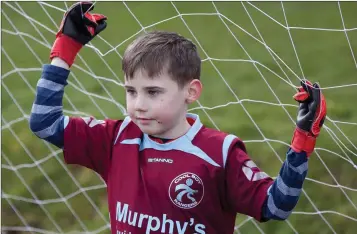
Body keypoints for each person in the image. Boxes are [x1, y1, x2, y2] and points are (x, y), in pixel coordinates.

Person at [29, 2, 327, 234]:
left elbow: (276, 205)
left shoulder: (219, 154)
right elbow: (45, 123)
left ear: (191, 91)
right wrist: (65, 50)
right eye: (131, 91)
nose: (138, 106)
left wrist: (303, 140)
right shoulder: (117, 138)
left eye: (153, 92)